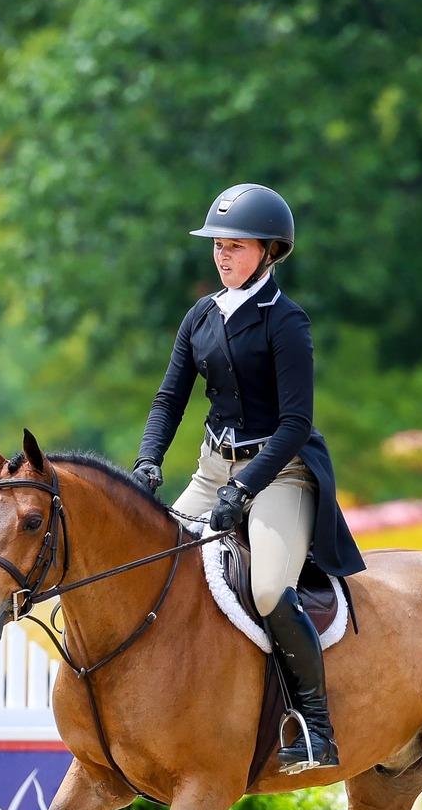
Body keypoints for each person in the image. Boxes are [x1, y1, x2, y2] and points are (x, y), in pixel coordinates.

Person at [133, 183, 366, 773]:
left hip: (280, 472)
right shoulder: (201, 316)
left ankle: (315, 727)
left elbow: (296, 424)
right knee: (154, 563)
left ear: (268, 251)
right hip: (213, 469)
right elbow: (169, 399)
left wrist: (246, 487)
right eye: (217, 246)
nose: (222, 256)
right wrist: (148, 461)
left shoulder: (286, 323)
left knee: (265, 590)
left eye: (235, 246)